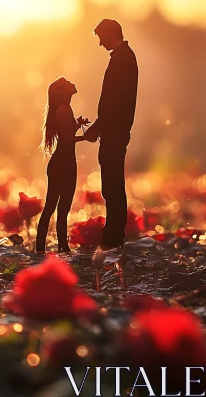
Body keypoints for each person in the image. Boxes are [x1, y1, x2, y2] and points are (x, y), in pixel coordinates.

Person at [84, 19, 139, 255]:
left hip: (115, 130)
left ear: (109, 34)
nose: (99, 43)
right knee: (112, 181)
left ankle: (114, 235)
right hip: (114, 128)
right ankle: (114, 232)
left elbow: (114, 101)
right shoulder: (123, 57)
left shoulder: (123, 59)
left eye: (100, 37)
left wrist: (99, 126)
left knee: (112, 182)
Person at [36, 77, 84, 253]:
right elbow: (66, 139)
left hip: (61, 161)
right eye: (68, 83)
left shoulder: (64, 109)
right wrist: (86, 137)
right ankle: (61, 247)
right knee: (60, 208)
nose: (73, 83)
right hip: (64, 163)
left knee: (53, 207)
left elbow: (66, 134)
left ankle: (43, 247)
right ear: (63, 92)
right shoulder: (64, 109)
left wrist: (77, 126)